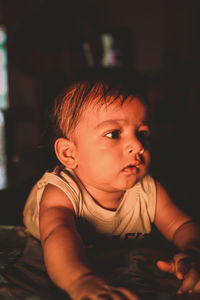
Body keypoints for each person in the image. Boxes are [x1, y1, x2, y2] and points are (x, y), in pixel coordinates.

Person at [23, 79, 200, 299]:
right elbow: (57, 233)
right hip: (38, 212)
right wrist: (80, 280)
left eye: (142, 133)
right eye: (113, 134)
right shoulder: (61, 193)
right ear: (69, 154)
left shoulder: (148, 190)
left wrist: (192, 253)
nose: (138, 145)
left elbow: (181, 225)